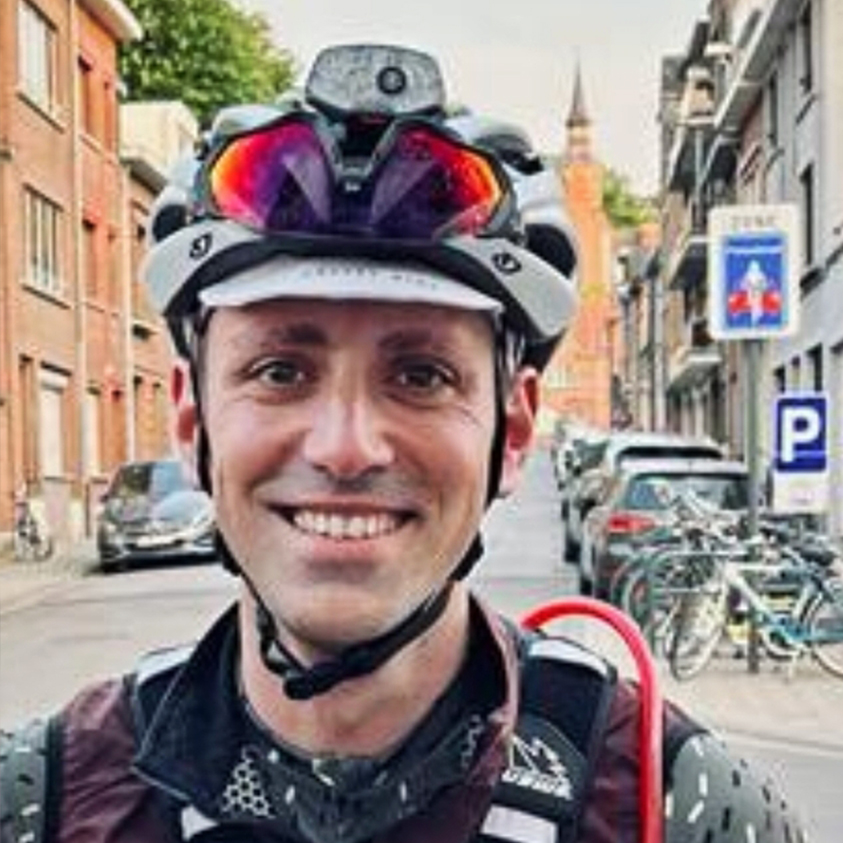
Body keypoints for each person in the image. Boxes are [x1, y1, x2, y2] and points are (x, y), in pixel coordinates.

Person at [1, 44, 805, 843]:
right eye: (280, 369)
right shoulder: (48, 799)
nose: (347, 448)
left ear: (515, 426)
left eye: (420, 375)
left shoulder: (671, 806)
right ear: (190, 416)